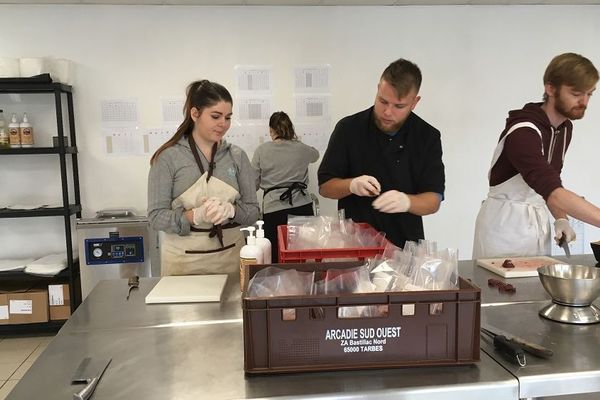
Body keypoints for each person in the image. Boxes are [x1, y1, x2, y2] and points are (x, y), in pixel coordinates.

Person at [473, 53, 600, 259]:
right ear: (550, 88)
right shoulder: (523, 132)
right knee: (500, 289)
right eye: (576, 93)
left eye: (590, 94)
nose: (584, 101)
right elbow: (555, 193)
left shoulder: (564, 128)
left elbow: (549, 184)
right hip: (504, 227)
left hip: (537, 225)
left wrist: (561, 218)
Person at [318, 58, 445, 248]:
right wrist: (351, 185)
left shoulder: (427, 137)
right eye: (382, 101)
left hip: (405, 247)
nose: (387, 112)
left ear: (414, 102)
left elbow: (433, 200)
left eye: (398, 106)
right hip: (355, 246)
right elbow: (325, 187)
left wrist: (407, 202)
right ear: (378, 89)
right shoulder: (349, 129)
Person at [148, 80, 260, 276]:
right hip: (183, 262)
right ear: (194, 114)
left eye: (228, 117)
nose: (223, 124)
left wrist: (231, 210)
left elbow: (252, 212)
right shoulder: (168, 158)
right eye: (215, 116)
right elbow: (156, 217)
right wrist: (195, 216)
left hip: (230, 260)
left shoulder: (237, 156)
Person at [252, 111, 320, 262]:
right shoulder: (301, 148)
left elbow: (253, 184)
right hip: (302, 206)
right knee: (303, 254)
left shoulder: (261, 151)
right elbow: (316, 155)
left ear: (271, 130)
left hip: (274, 209)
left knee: (276, 255)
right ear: (290, 128)